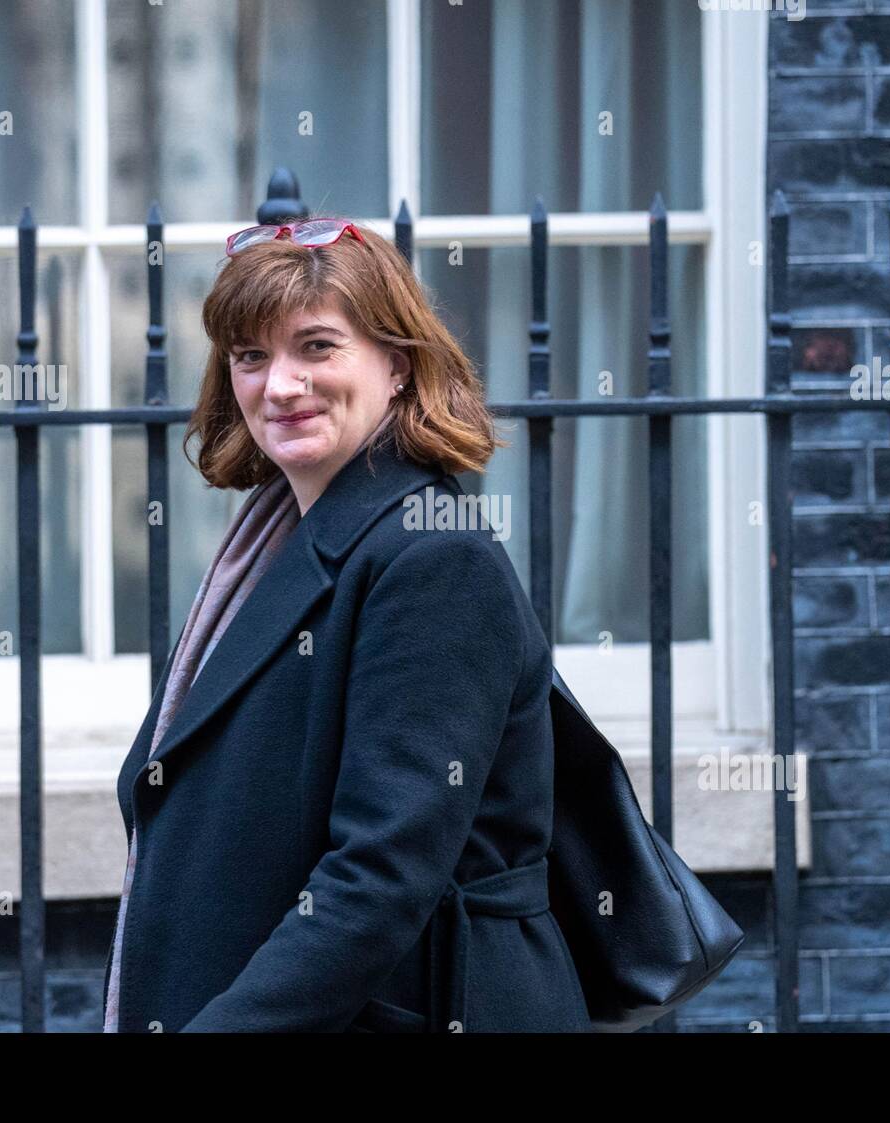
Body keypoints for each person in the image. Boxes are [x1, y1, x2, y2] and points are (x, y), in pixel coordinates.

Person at [101, 216, 593, 1033]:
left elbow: (380, 875)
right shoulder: (271, 545)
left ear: (398, 366)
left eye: (317, 347)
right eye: (252, 356)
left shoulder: (434, 558)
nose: (280, 384)